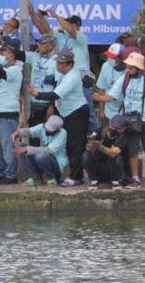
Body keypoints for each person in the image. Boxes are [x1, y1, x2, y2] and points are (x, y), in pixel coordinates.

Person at [93, 51, 145, 190]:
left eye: (131, 67)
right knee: (132, 150)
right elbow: (112, 96)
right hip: (130, 119)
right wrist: (98, 98)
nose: (128, 69)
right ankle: (135, 179)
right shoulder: (124, 79)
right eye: (128, 66)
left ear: (138, 68)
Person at [28, 49, 89, 187]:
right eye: (57, 63)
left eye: (61, 64)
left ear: (69, 64)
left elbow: (55, 95)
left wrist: (37, 94)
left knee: (75, 146)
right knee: (66, 144)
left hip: (77, 113)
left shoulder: (72, 77)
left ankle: (76, 177)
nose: (57, 66)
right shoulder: (62, 72)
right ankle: (63, 174)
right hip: (66, 113)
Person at [0, 43, 23, 184]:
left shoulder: (15, 70)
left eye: (5, 52)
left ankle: (10, 175)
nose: (2, 54)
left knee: (7, 146)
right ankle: (1, 172)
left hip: (7, 115)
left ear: (12, 55)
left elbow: (2, 73)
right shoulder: (5, 69)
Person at [12, 115, 67, 187]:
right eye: (46, 129)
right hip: (42, 157)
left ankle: (52, 178)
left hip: (56, 162)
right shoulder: (42, 127)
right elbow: (30, 131)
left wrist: (27, 149)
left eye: (50, 131)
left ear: (58, 130)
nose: (47, 131)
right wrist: (19, 132)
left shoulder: (62, 133)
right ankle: (35, 177)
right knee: (21, 147)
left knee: (39, 156)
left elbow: (49, 150)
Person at [83, 114, 130, 189]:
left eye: (116, 128)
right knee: (86, 155)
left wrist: (100, 146)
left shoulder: (123, 138)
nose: (113, 129)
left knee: (117, 158)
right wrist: (91, 145)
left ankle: (116, 181)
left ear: (123, 129)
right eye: (112, 126)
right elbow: (88, 146)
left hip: (114, 169)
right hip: (99, 166)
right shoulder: (99, 131)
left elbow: (113, 153)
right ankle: (94, 181)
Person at [24, 34, 58, 127]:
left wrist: (52, 106)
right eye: (38, 43)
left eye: (42, 43)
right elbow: (17, 54)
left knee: (47, 135)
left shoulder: (57, 61)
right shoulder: (34, 56)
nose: (39, 45)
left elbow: (58, 86)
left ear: (51, 45)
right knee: (34, 136)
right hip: (34, 104)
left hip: (47, 105)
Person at [96, 44, 130, 125]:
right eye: (109, 56)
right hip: (109, 112)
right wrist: (101, 110)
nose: (110, 59)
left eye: (113, 57)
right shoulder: (106, 66)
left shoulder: (129, 70)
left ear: (122, 57)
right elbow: (101, 88)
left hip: (125, 112)